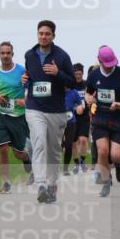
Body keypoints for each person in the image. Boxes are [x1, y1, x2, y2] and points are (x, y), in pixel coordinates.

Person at [21, 20, 76, 204]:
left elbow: (72, 83)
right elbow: (30, 77)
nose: (43, 36)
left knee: (53, 150)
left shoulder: (62, 56)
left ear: (53, 36)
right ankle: (41, 184)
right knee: (39, 144)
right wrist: (25, 79)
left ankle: (52, 186)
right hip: (34, 107)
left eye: (47, 34)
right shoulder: (29, 54)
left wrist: (57, 73)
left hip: (56, 110)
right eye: (41, 33)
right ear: (37, 34)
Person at [84, 46, 120, 198]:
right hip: (100, 117)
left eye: (112, 65)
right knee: (102, 151)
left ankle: (119, 165)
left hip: (118, 118)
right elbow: (88, 92)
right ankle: (106, 181)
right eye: (106, 65)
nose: (109, 68)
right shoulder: (94, 75)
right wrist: (87, 98)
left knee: (115, 155)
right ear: (99, 61)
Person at [0, 41, 33, 194]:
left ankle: (26, 157)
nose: (5, 56)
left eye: (8, 53)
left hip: (18, 116)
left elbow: (32, 89)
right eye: (3, 53)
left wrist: (26, 100)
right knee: (2, 148)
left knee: (17, 153)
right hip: (0, 114)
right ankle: (6, 182)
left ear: (12, 54)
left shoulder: (22, 71)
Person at [70, 64, 91, 174]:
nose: (78, 76)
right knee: (73, 143)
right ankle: (76, 163)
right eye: (76, 74)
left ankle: (82, 162)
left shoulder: (87, 84)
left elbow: (91, 97)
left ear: (82, 74)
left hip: (84, 116)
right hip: (72, 116)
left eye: (80, 74)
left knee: (83, 140)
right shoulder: (70, 85)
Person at [62, 85, 86, 175]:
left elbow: (81, 104)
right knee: (57, 145)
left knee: (69, 145)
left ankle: (65, 168)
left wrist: (80, 107)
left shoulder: (74, 92)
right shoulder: (56, 90)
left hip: (71, 120)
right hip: (57, 120)